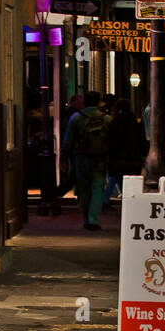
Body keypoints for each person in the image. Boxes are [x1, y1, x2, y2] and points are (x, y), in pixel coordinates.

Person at [62, 88, 110, 231]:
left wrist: (63, 157)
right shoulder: (107, 119)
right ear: (98, 103)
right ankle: (93, 219)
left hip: (81, 158)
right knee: (97, 187)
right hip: (100, 158)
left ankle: (86, 217)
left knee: (83, 188)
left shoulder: (76, 118)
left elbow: (68, 141)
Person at [103, 99, 144, 205]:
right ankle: (129, 200)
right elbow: (140, 139)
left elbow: (111, 139)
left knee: (115, 177)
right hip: (133, 157)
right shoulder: (133, 120)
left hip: (118, 157)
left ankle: (106, 199)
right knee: (129, 179)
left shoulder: (115, 121)